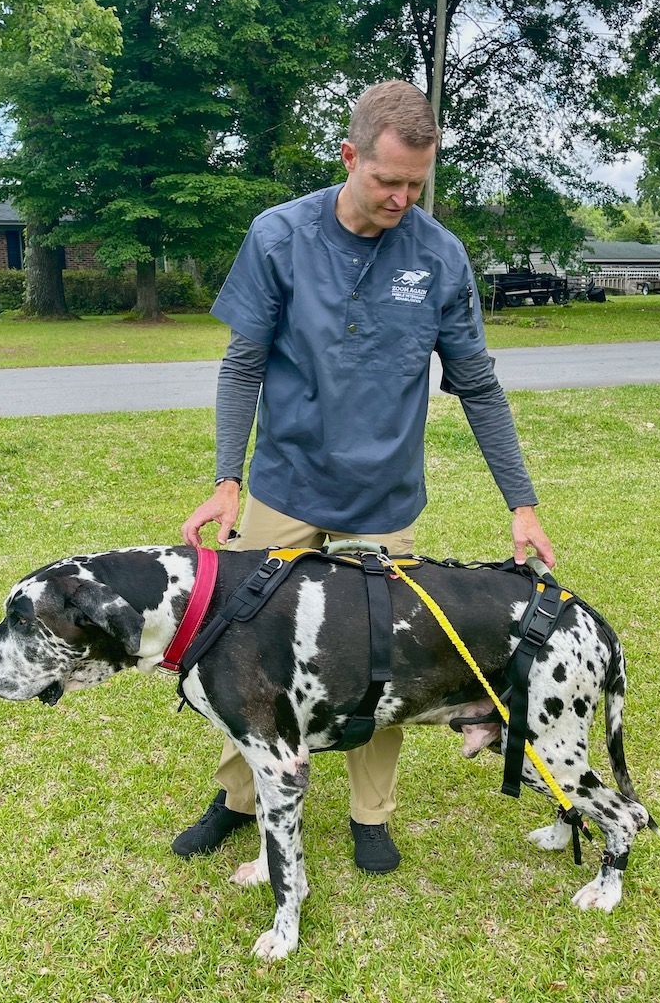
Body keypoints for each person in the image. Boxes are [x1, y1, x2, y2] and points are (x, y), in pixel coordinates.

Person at [175, 80, 554, 874]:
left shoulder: (439, 255)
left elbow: (476, 384)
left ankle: (369, 815)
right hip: (282, 484)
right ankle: (238, 799)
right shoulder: (278, 236)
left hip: (381, 501)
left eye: (416, 183)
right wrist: (224, 479)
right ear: (349, 157)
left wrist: (520, 503)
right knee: (249, 653)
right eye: (387, 180)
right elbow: (242, 364)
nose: (401, 198)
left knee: (380, 658)